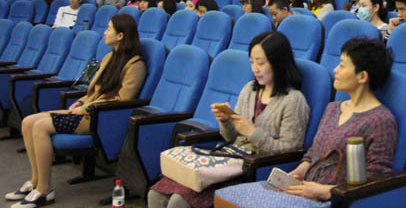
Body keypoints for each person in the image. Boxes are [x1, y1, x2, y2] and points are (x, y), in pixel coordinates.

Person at [148, 31, 310, 208]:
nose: (255, 69)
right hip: (227, 161)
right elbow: (231, 137)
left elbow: (290, 151)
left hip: (251, 171)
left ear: (278, 63)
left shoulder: (293, 101)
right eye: (252, 62)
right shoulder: (250, 89)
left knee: (178, 201)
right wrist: (225, 121)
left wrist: (253, 133)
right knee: (155, 194)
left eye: (261, 63)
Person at [9, 15, 146, 207]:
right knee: (28, 121)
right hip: (85, 110)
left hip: (98, 117)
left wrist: (87, 107)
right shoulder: (108, 57)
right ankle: (35, 181)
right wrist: (80, 101)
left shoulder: (136, 65)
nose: (105, 32)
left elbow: (123, 100)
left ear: (121, 35)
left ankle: (44, 190)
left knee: (40, 127)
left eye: (109, 29)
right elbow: (92, 87)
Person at [236, 38, 394, 203]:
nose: (335, 70)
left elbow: (376, 179)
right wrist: (296, 174)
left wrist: (326, 192)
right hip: (306, 189)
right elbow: (313, 154)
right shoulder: (333, 108)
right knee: (234, 196)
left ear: (362, 76)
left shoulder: (380, 120)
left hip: (334, 200)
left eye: (342, 65)